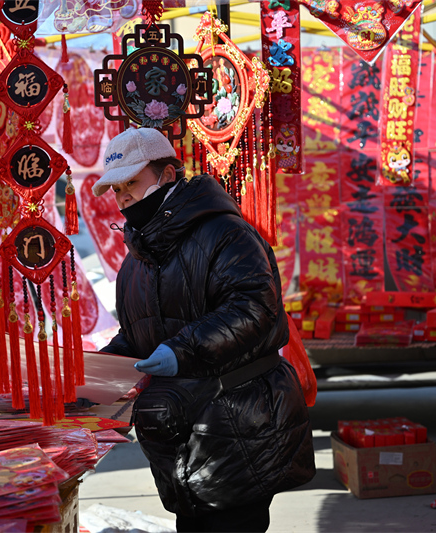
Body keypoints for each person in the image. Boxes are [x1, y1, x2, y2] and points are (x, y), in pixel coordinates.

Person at [95, 127, 316, 532]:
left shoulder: (225, 234)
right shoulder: (135, 263)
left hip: (237, 426)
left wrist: (181, 350)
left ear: (167, 176)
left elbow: (254, 308)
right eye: (116, 188)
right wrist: (100, 369)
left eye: (132, 182)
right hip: (178, 437)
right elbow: (136, 336)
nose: (124, 196)